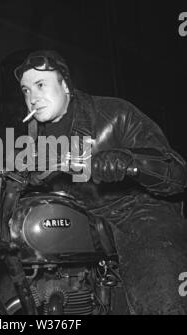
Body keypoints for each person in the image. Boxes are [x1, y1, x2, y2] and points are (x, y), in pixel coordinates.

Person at [13, 49, 187, 314]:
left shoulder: (114, 113)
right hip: (84, 218)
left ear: (65, 84)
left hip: (136, 213)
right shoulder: (34, 141)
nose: (32, 97)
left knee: (160, 298)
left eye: (40, 85)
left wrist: (129, 162)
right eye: (26, 91)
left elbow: (176, 175)